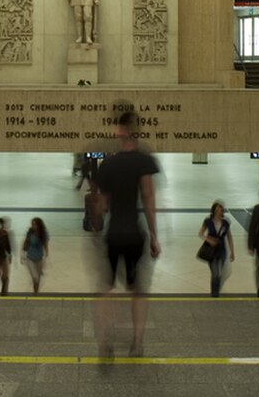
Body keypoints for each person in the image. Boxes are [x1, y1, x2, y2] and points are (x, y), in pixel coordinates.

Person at [93, 109, 160, 358]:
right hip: (134, 233)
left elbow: (101, 205)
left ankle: (105, 342)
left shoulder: (108, 164)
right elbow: (148, 197)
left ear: (119, 132)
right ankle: (137, 342)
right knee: (138, 290)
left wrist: (97, 224)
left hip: (114, 235)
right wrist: (154, 236)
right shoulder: (144, 161)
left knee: (106, 289)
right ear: (135, 131)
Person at [199, 201, 235, 297]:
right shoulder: (208, 221)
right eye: (217, 210)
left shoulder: (225, 222)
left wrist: (232, 251)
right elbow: (201, 233)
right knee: (215, 273)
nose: (219, 212)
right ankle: (214, 294)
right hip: (211, 251)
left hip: (222, 250)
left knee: (219, 274)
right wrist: (209, 240)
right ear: (214, 211)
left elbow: (229, 237)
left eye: (221, 210)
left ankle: (216, 292)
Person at [21, 217, 50, 294]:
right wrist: (22, 253)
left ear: (39, 225)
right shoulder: (30, 233)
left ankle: (35, 293)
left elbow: (46, 246)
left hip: (39, 258)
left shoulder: (44, 233)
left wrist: (45, 256)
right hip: (30, 258)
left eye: (34, 224)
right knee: (35, 277)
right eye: (32, 224)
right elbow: (26, 242)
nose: (32, 226)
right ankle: (35, 290)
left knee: (38, 280)